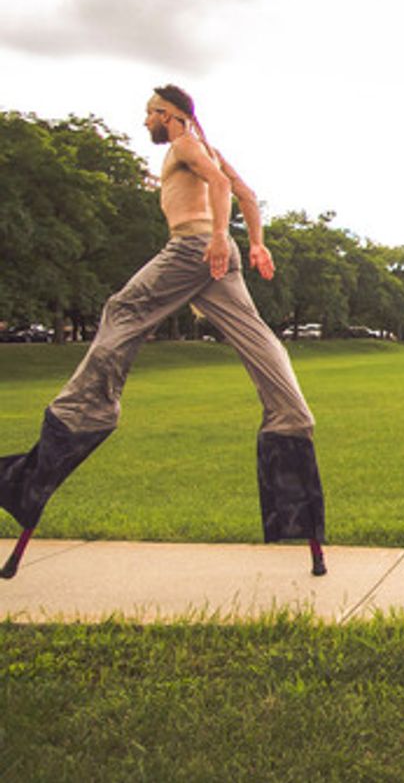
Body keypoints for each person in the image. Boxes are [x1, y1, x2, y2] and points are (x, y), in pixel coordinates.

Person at [0, 86, 326, 579]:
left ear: (168, 115)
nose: (144, 122)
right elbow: (245, 192)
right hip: (219, 259)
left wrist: (218, 236)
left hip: (192, 249)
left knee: (122, 309)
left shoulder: (185, 145)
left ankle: (87, 411)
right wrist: (253, 243)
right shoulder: (206, 147)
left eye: (149, 114)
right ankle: (290, 420)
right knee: (261, 342)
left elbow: (219, 185)